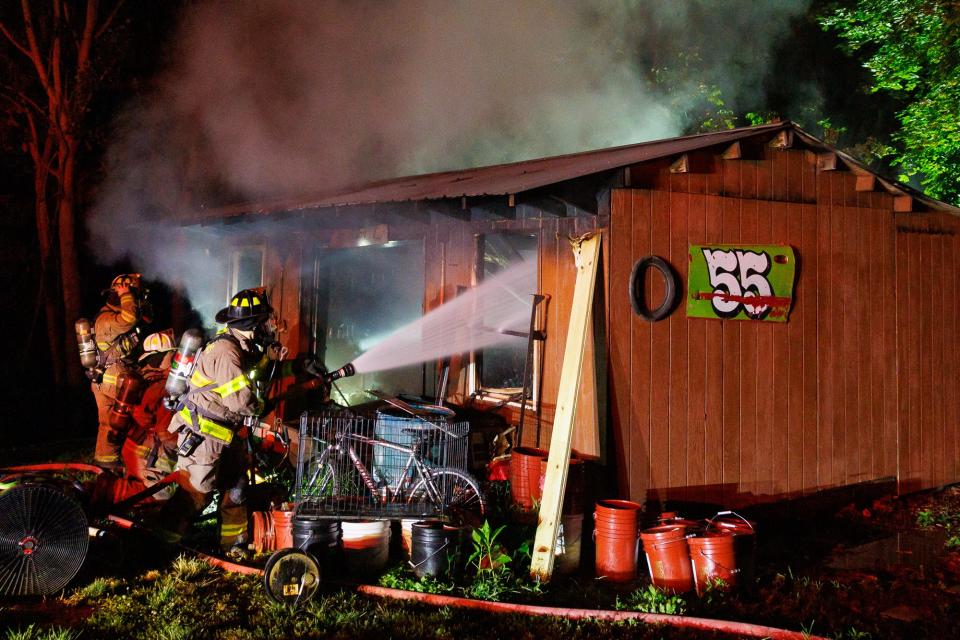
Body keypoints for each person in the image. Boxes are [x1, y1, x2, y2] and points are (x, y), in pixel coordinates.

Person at [160, 288, 324, 558]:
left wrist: (297, 366)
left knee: (236, 491)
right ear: (254, 325)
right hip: (204, 436)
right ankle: (161, 544)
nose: (269, 327)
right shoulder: (226, 351)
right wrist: (266, 410)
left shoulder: (241, 346)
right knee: (195, 495)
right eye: (265, 322)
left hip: (225, 435)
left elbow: (260, 372)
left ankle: (234, 546)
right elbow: (242, 401)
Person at [90, 273, 146, 470]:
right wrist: (127, 295)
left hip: (106, 378)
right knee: (131, 419)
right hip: (113, 379)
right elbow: (128, 319)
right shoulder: (107, 319)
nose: (136, 299)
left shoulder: (110, 316)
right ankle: (132, 463)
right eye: (134, 295)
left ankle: (106, 465)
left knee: (109, 424)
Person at [121, 329, 179, 502]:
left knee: (133, 494)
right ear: (161, 357)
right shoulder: (164, 388)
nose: (175, 358)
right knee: (155, 500)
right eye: (171, 354)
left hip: (131, 447)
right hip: (149, 455)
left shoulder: (142, 378)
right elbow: (166, 432)